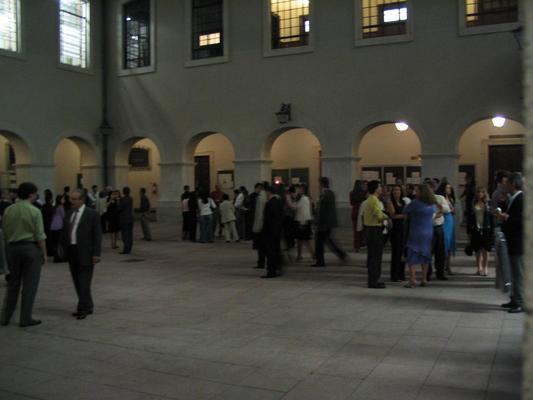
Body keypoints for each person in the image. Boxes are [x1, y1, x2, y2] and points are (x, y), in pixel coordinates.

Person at [0, 182, 47, 327]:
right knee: (30, 284)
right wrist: (44, 253)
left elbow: (5, 230)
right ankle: (25, 317)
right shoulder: (34, 211)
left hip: (12, 248)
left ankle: (5, 317)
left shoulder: (9, 210)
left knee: (13, 284)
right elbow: (39, 235)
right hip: (30, 249)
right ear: (31, 194)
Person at [63, 189, 102, 320]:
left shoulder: (92, 214)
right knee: (77, 281)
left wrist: (96, 253)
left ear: (82, 200)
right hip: (72, 251)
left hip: (86, 252)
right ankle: (88, 305)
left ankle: (83, 308)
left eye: (74, 199)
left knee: (84, 282)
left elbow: (97, 235)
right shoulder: (69, 213)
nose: (71, 201)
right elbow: (66, 232)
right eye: (70, 199)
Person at [497, 173, 524, 313]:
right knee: (513, 272)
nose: (504, 185)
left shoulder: (521, 198)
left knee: (518, 273)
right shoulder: (513, 198)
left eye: (507, 183)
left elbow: (523, 221)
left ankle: (520, 302)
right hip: (513, 241)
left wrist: (506, 217)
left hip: (519, 242)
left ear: (513, 184)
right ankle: (514, 298)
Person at [403, 185, 437, 288]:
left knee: (412, 254)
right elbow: (436, 213)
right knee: (425, 255)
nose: (415, 192)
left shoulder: (415, 203)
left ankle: (413, 279)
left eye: (416, 191)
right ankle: (424, 279)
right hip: (428, 231)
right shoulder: (432, 204)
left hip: (416, 231)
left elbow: (405, 211)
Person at [313, 177, 347, 267]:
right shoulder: (330, 193)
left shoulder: (325, 194)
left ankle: (320, 261)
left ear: (322, 184)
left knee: (319, 242)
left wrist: (318, 222)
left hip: (324, 223)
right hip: (328, 222)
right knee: (328, 241)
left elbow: (323, 210)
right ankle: (341, 254)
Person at [362, 180, 388, 288]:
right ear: (375, 189)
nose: (381, 188)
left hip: (370, 230)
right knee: (376, 257)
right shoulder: (374, 200)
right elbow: (378, 215)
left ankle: (374, 279)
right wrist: (388, 218)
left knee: (373, 256)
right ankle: (373, 281)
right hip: (374, 230)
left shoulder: (370, 199)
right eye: (379, 187)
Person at [491, 170, 511, 291]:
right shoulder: (498, 193)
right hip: (500, 226)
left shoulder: (506, 193)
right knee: (502, 257)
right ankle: (502, 282)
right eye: (505, 181)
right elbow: (495, 210)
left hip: (504, 226)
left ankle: (501, 281)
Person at [468, 187, 493, 276]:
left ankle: (485, 267)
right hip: (476, 228)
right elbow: (470, 217)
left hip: (486, 228)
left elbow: (491, 217)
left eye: (482, 192)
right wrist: (469, 230)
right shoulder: (473, 203)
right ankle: (479, 268)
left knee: (486, 250)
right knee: (477, 249)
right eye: (478, 192)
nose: (480, 194)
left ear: (484, 194)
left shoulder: (488, 204)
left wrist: (492, 230)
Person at [261, 184, 284, 278]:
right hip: (277, 230)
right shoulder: (279, 201)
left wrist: (263, 230)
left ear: (269, 192)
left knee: (270, 251)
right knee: (276, 250)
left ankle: (271, 271)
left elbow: (268, 219)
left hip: (270, 231)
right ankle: (277, 269)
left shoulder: (270, 203)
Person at [288, 184, 314, 261]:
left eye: (300, 189)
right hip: (303, 221)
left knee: (304, 240)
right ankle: (300, 255)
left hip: (302, 222)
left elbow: (294, 207)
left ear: (303, 190)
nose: (298, 191)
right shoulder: (304, 198)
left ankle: (312, 254)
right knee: (301, 240)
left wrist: (288, 199)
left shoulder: (304, 199)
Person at [430, 184, 451, 280]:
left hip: (438, 227)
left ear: (433, 189)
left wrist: (439, 205)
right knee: (429, 251)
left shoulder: (440, 198)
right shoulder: (423, 200)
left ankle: (440, 273)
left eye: (431, 188)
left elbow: (447, 209)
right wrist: (438, 213)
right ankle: (428, 272)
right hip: (428, 227)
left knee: (440, 252)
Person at [387, 184, 406, 282]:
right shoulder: (390, 202)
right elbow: (393, 215)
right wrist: (404, 216)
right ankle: (394, 275)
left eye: (398, 190)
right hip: (395, 230)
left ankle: (401, 274)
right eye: (394, 190)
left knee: (403, 253)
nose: (396, 192)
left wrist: (403, 216)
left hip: (403, 229)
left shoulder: (403, 202)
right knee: (396, 253)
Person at [436, 181, 456, 275]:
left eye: (450, 188)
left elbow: (452, 209)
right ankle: (442, 265)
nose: (449, 189)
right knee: (444, 243)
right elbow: (441, 209)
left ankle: (448, 265)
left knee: (450, 244)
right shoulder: (441, 198)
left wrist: (452, 210)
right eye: (447, 188)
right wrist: (450, 210)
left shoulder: (450, 198)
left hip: (450, 220)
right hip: (444, 220)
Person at [251, 183, 267, 269]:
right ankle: (262, 261)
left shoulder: (260, 198)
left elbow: (259, 214)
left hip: (260, 225)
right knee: (263, 246)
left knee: (261, 246)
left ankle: (261, 262)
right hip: (263, 225)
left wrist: (257, 227)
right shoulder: (264, 197)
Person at [350, 180, 367, 252]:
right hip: (362, 211)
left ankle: (356, 246)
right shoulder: (364, 193)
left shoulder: (352, 193)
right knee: (361, 229)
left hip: (354, 211)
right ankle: (361, 244)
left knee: (355, 230)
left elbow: (351, 203)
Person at [50, 195, 67, 262]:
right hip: (59, 226)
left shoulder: (54, 207)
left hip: (53, 227)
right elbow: (64, 217)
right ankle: (60, 257)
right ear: (60, 200)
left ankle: (56, 257)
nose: (64, 200)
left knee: (55, 243)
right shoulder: (61, 207)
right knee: (60, 243)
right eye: (63, 199)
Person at [118, 187, 134, 254]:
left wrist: (118, 202)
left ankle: (126, 250)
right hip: (130, 218)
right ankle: (129, 248)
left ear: (123, 192)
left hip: (124, 219)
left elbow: (119, 208)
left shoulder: (122, 199)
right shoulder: (130, 198)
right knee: (130, 234)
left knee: (125, 235)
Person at [41, 189, 55, 259]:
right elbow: (52, 215)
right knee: (50, 238)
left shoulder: (43, 206)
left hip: (45, 223)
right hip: (50, 224)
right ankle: (50, 251)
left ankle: (48, 251)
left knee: (47, 238)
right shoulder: (51, 207)